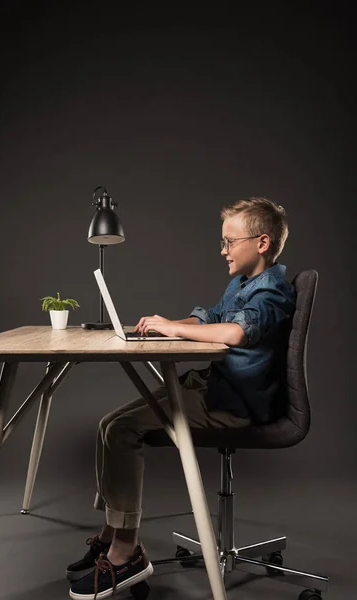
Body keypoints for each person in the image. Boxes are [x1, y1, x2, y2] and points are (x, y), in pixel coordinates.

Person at [67, 197, 296, 599]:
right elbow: (210, 318)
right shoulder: (241, 282)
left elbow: (235, 333)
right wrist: (167, 324)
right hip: (212, 387)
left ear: (261, 243)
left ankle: (127, 554)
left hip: (235, 404)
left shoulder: (273, 290)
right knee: (109, 424)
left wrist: (175, 330)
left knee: (122, 430)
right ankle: (110, 534)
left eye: (229, 242)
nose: (222, 250)